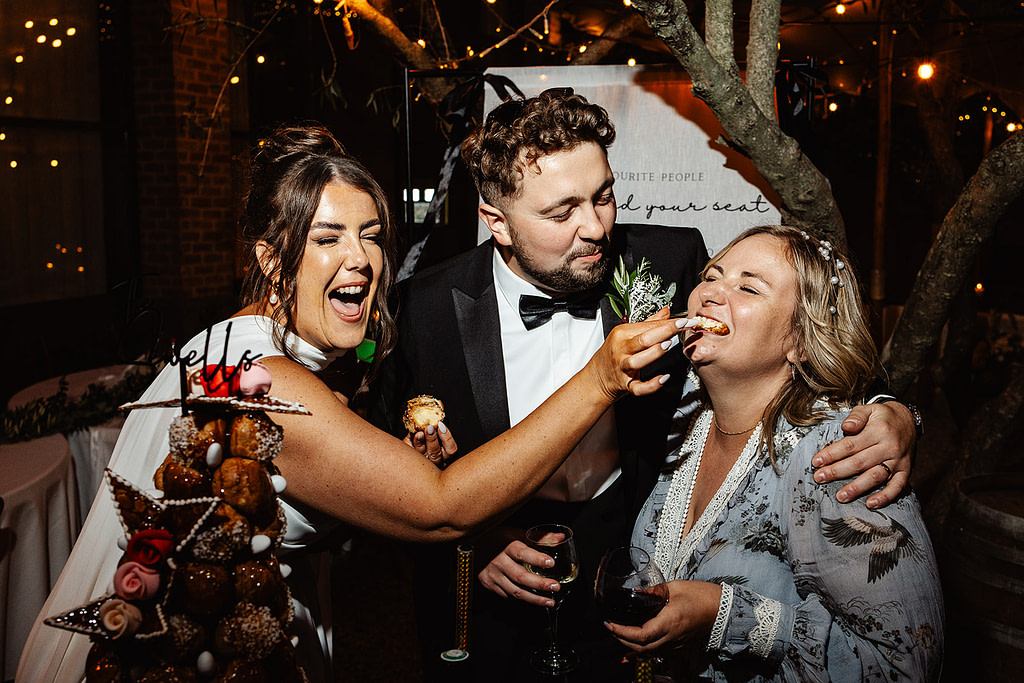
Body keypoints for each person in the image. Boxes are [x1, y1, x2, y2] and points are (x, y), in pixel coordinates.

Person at [16, 123, 687, 683]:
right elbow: (442, 509)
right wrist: (600, 378)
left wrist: (394, 466)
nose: (361, 259)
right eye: (328, 237)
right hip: (178, 651)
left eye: (371, 234)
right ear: (272, 260)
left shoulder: (242, 349)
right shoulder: (265, 383)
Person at [373, 89, 921, 681]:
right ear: (496, 223)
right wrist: (467, 540)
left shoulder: (670, 259)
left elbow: (808, 339)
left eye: (603, 196)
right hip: (495, 593)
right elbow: (384, 472)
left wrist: (894, 412)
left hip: (631, 562)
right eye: (561, 213)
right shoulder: (425, 306)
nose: (595, 228)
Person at [610, 226, 943, 681]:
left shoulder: (842, 458)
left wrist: (724, 617)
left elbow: (905, 666)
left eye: (748, 287)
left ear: (800, 343)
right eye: (711, 276)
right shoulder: (683, 405)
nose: (711, 294)